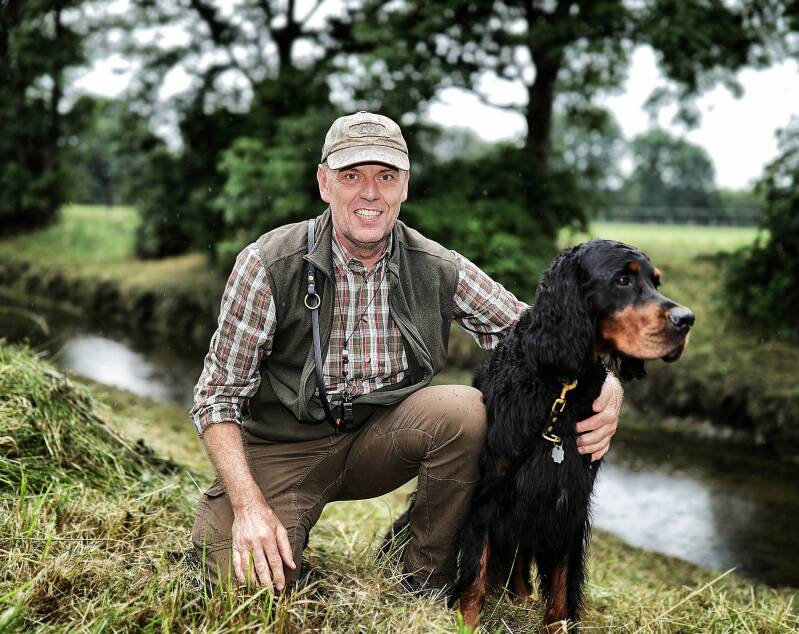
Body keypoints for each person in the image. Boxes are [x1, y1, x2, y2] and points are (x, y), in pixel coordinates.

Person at [190, 111, 623, 595]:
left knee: (464, 409)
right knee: (238, 590)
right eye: (351, 176)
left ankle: (421, 576)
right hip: (281, 448)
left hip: (383, 440)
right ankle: (266, 532)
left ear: (405, 186)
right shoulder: (268, 263)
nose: (369, 193)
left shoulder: (437, 266)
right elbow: (216, 397)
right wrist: (248, 506)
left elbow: (538, 332)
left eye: (385, 176)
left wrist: (610, 383)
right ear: (323, 183)